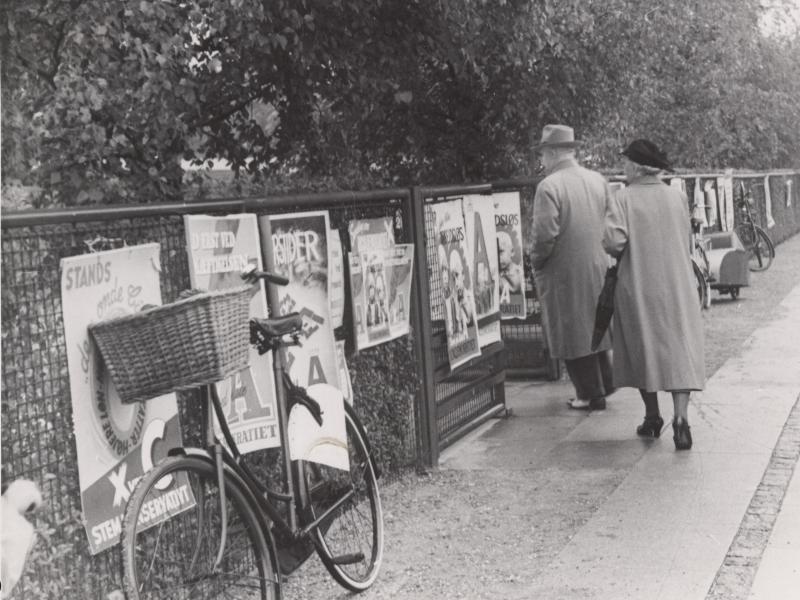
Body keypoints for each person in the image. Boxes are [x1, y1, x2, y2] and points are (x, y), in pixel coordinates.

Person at [602, 139, 705, 450]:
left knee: (642, 346)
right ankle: (681, 419)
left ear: (634, 166)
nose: (623, 168)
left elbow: (613, 243)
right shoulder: (676, 197)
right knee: (679, 347)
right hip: (678, 284)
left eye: (625, 163)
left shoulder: (623, 198)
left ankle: (651, 417)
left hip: (639, 285)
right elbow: (685, 236)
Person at [527, 124, 615, 410]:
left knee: (570, 330)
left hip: (563, 271)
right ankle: (606, 382)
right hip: (598, 265)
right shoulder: (597, 179)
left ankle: (590, 393)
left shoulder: (549, 187)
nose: (542, 160)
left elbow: (544, 235)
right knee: (595, 326)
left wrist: (536, 261)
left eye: (543, 153)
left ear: (552, 153)